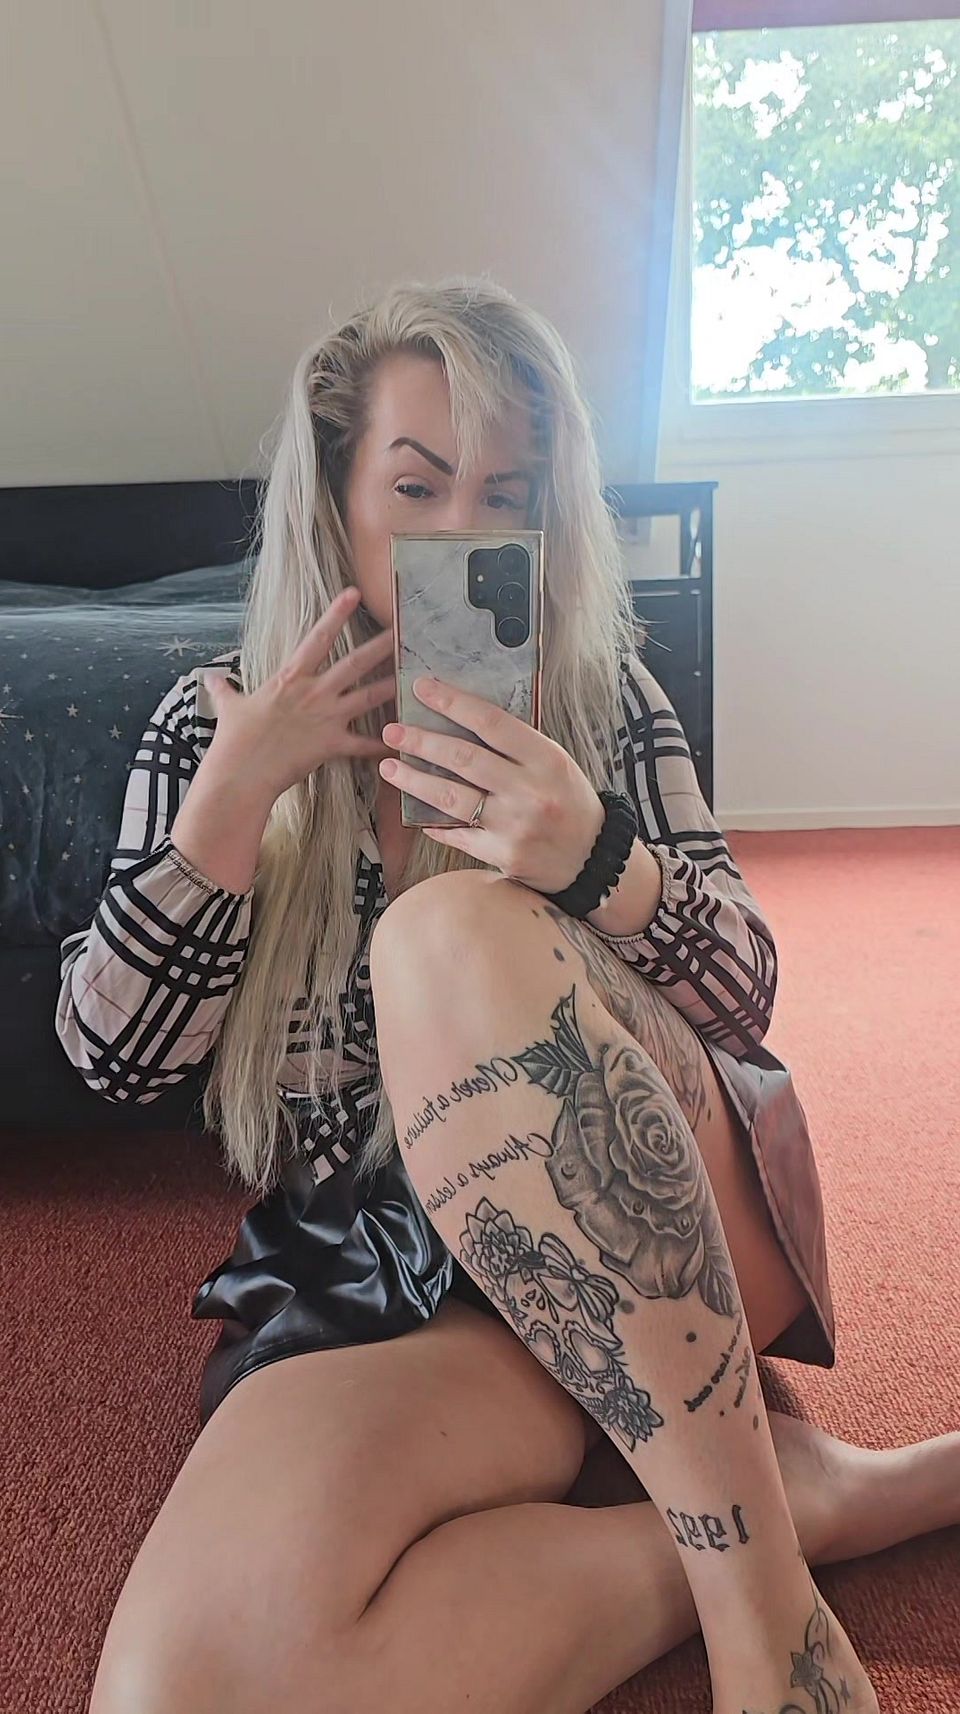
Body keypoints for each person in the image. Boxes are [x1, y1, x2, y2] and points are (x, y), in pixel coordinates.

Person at [57, 279, 957, 1714]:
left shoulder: (604, 697)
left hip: (655, 1199)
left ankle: (768, 1627)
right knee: (181, 1688)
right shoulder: (211, 724)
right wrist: (227, 815)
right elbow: (112, 1060)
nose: (460, 531)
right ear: (339, 500)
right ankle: (801, 1500)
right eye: (416, 487)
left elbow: (751, 1002)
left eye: (506, 494)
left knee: (445, 940)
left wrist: (599, 862)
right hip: (399, 1280)